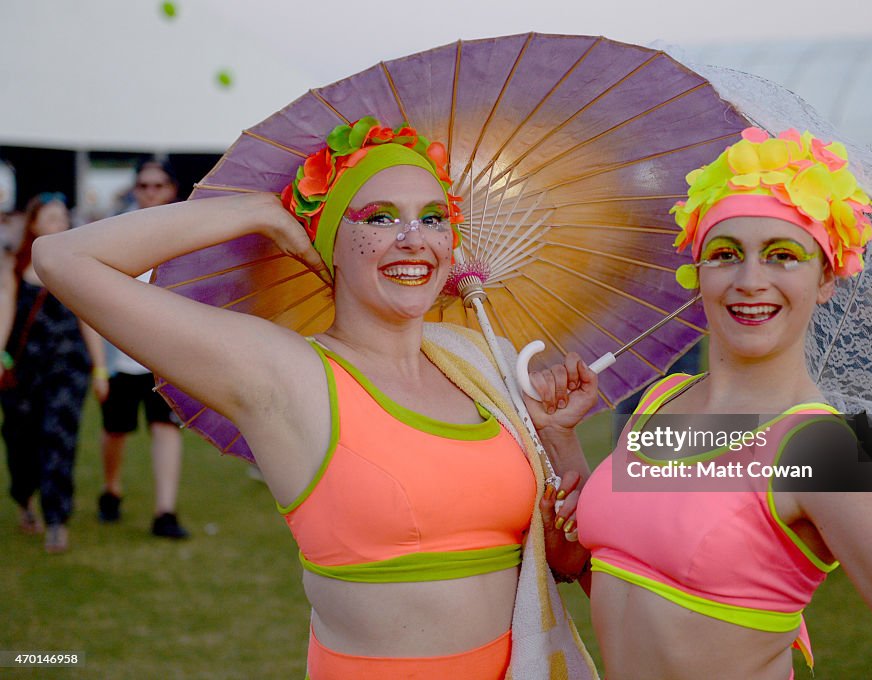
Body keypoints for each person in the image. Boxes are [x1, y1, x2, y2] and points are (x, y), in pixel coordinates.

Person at [33, 118, 596, 679]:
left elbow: (569, 558)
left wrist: (559, 440)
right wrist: (254, 212)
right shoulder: (286, 376)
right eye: (379, 218)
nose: (413, 238)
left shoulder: (482, 363)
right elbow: (63, 259)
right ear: (325, 239)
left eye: (433, 218)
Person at [530, 128, 872, 679]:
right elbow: (638, 578)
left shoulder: (818, 448)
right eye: (726, 254)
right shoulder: (666, 398)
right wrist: (561, 441)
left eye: (782, 256)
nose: (750, 280)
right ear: (698, 271)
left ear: (826, 277)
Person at [1, 192, 108, 553]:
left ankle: (57, 519)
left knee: (59, 438)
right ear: (33, 223)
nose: (58, 224)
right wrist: (0, 357)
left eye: (62, 217)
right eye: (50, 217)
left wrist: (101, 369)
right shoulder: (15, 266)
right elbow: (6, 314)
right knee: (21, 441)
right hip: (24, 371)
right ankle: (25, 497)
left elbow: (88, 319)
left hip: (67, 370)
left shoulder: (74, 267)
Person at [96, 159, 188, 538]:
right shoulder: (113, 229)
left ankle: (164, 512)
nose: (150, 192)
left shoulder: (186, 232)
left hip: (165, 355)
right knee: (116, 431)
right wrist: (100, 365)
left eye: (158, 185)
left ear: (172, 189)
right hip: (121, 353)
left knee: (165, 428)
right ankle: (111, 487)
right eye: (143, 185)